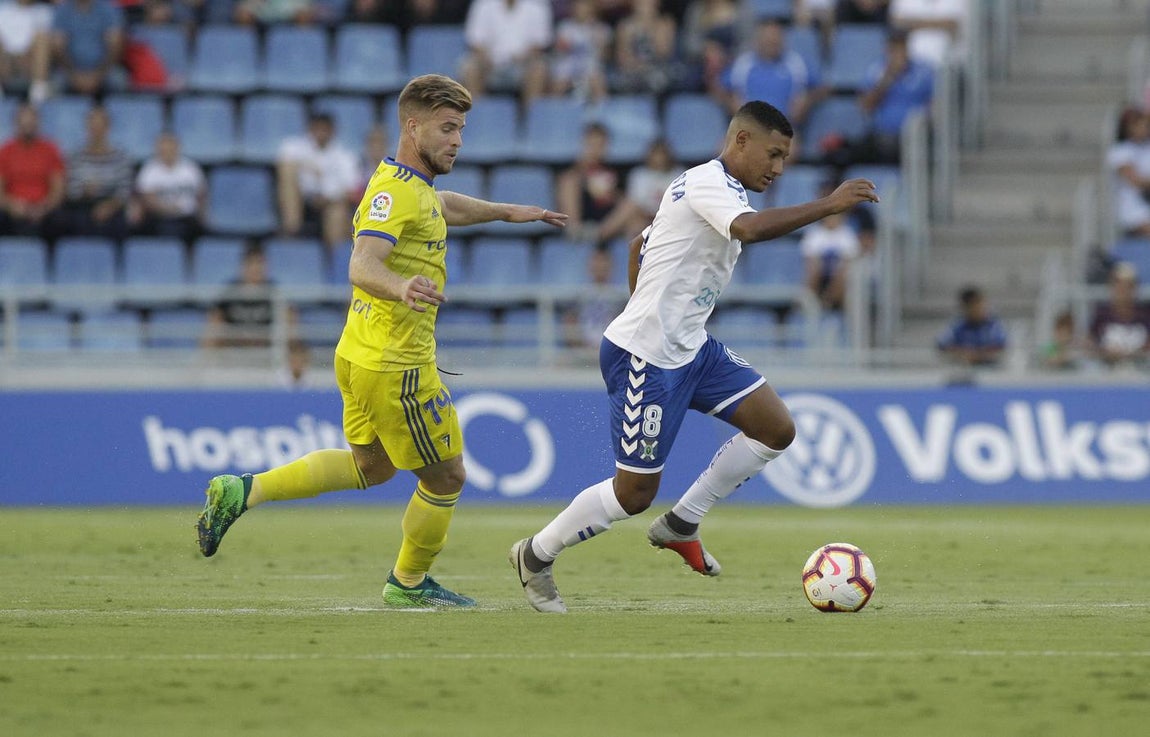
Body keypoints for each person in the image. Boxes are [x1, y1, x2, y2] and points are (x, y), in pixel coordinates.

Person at [195, 74, 568, 609]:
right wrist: (401, 286)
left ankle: (242, 491)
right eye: (447, 128)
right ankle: (408, 583)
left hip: (358, 353)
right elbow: (361, 263)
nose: (458, 141)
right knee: (447, 477)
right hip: (398, 366)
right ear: (413, 127)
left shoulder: (405, 183)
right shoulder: (396, 194)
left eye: (461, 129)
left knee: (371, 467)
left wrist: (507, 212)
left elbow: (442, 206)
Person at [508, 101, 878, 613]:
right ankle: (535, 554)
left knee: (776, 429)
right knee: (633, 496)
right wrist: (829, 205)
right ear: (741, 141)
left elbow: (638, 244)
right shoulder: (709, 182)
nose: (778, 168)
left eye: (785, 158)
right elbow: (749, 230)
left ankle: (683, 521)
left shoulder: (712, 189)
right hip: (645, 357)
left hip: (692, 348)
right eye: (773, 154)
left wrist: (652, 306)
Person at [846, 29, 934, 165]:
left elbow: (936, 103)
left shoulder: (924, 71)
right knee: (845, 153)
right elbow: (865, 106)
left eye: (901, 47)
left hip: (915, 136)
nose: (898, 53)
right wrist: (888, 77)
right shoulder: (876, 70)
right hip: (882, 135)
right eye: (894, 48)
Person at [277, 112, 360, 251]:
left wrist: (327, 197)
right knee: (287, 177)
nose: (321, 133)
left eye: (324, 129)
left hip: (330, 203)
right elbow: (285, 162)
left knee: (338, 213)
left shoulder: (345, 156)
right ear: (310, 129)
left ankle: (333, 256)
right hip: (303, 200)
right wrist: (308, 167)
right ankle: (292, 231)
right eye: (317, 129)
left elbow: (350, 189)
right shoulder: (296, 147)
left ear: (332, 131)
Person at [719, 17, 822, 125]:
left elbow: (822, 87)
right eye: (768, 41)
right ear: (757, 42)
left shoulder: (797, 63)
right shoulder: (742, 64)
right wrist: (732, 104)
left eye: (775, 41)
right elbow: (720, 88)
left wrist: (806, 102)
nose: (772, 44)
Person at [52, 106, 131, 240]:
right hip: (82, 205)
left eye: (100, 126)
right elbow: (71, 189)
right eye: (92, 126)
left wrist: (109, 206)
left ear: (108, 128)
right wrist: (85, 191)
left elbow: (124, 190)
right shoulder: (76, 156)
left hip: (112, 204)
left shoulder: (120, 156)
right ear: (87, 128)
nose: (96, 131)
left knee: (123, 222)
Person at [460, 0, 551, 107]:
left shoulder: (537, 6)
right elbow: (475, 42)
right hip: (490, 64)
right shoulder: (483, 5)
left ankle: (530, 114)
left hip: (523, 63)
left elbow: (540, 44)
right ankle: (478, 113)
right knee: (470, 67)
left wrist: (523, 57)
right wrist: (487, 58)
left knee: (539, 68)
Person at [35, 0, 125, 100]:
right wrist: (73, 75)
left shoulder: (108, 8)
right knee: (55, 85)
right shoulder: (63, 10)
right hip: (70, 71)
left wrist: (99, 75)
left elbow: (115, 46)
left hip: (104, 70)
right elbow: (58, 49)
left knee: (119, 80)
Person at [200, 242, 282, 349]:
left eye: (259, 263)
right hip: (233, 349)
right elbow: (215, 320)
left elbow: (289, 320)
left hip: (266, 349)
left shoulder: (274, 291)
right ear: (242, 266)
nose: (255, 269)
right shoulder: (230, 292)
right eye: (251, 263)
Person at [0, 103, 64, 237]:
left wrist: (44, 208)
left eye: (31, 123)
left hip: (44, 209)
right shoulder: (5, 151)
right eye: (24, 123)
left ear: (37, 123)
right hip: (13, 209)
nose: (27, 127)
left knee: (60, 220)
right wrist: (11, 205)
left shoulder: (50, 149)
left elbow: (58, 190)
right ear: (16, 124)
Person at [132, 131, 206, 243]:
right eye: (163, 149)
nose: (167, 152)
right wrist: (169, 209)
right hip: (160, 217)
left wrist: (201, 214)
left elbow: (201, 194)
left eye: (170, 148)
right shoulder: (149, 170)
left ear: (177, 148)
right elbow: (147, 199)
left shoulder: (191, 168)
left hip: (187, 217)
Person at [800, 181, 861, 312]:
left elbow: (848, 262)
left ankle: (828, 304)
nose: (832, 219)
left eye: (836, 216)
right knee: (813, 271)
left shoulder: (847, 235)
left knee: (842, 275)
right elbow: (811, 262)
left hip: (840, 277)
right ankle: (811, 306)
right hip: (820, 274)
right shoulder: (814, 234)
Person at [556, 122, 622, 242]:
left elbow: (619, 204)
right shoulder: (573, 172)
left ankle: (599, 235)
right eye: (592, 145)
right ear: (584, 144)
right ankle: (575, 231)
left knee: (634, 205)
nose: (596, 150)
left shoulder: (613, 171)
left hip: (605, 224)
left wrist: (610, 194)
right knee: (569, 181)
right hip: (581, 222)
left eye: (600, 145)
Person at [1088, 261, 1150, 369]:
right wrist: (1104, 351)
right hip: (1107, 368)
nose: (1123, 290)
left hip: (1140, 369)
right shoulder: (1102, 314)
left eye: (1127, 286)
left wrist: (1138, 352)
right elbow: (1089, 341)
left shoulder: (1145, 315)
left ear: (1134, 288)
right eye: (1119, 285)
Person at [549, 0, 610, 101]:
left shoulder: (601, 29)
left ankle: (603, 108)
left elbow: (604, 55)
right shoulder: (565, 27)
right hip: (567, 65)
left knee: (597, 81)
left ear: (591, 10)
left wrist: (600, 43)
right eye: (578, 7)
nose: (581, 10)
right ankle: (553, 108)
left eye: (584, 7)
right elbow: (560, 50)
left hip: (590, 66)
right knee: (558, 84)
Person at [935, 285, 1007, 367]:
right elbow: (942, 345)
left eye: (980, 304)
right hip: (963, 367)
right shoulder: (957, 326)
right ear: (964, 307)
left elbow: (1001, 347)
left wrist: (977, 355)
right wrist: (963, 353)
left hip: (990, 368)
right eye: (973, 305)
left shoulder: (993, 325)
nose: (978, 309)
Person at [1106, 108, 1150, 238]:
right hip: (1132, 207)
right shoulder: (1120, 151)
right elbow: (1135, 180)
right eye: (1141, 125)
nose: (1145, 129)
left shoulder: (1146, 148)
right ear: (1129, 128)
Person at [0, 0, 54, 99]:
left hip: (30, 61)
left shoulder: (44, 11)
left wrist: (25, 55)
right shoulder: (3, 10)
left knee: (42, 39)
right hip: (6, 61)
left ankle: (38, 94)